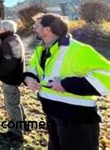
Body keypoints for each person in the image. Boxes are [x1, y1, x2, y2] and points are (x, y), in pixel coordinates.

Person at [23, 13, 109, 150]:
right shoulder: (41, 50)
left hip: (78, 120)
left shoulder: (79, 50)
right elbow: (32, 66)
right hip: (52, 113)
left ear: (47, 29)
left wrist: (66, 85)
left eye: (37, 26)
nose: (34, 28)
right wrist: (28, 77)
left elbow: (107, 76)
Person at [0, 20, 26, 143]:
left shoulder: (9, 41)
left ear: (5, 29)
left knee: (12, 105)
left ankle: (16, 133)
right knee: (15, 103)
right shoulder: (12, 39)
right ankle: (23, 125)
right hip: (12, 77)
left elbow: (10, 61)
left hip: (10, 78)